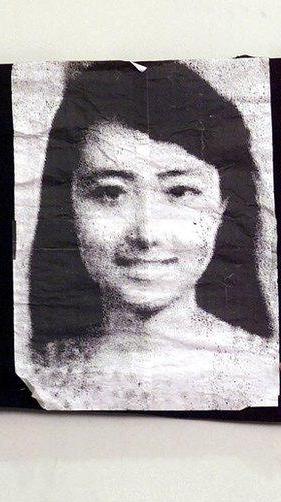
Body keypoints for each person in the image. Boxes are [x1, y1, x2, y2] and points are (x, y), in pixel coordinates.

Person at [23, 61, 278, 410]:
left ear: (223, 206)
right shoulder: (36, 375)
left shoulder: (267, 375)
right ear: (69, 203)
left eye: (180, 192)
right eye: (110, 193)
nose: (146, 232)